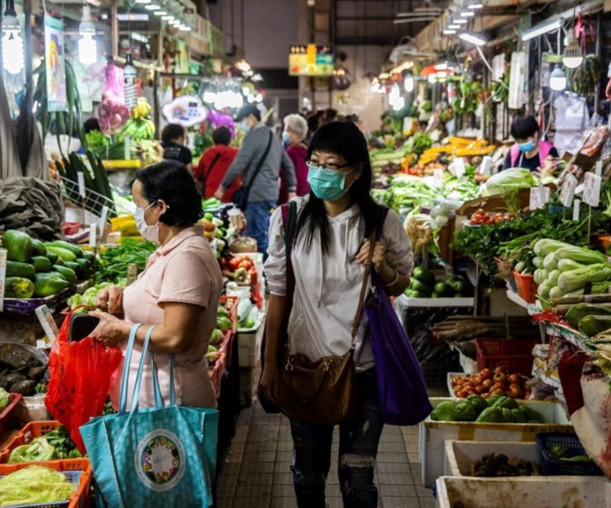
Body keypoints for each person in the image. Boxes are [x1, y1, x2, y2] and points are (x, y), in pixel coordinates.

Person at [261, 121, 413, 508]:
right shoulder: (289, 218)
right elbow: (277, 293)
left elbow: (399, 285)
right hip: (305, 367)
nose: (320, 172)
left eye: (332, 165)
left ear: (356, 171)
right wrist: (269, 366)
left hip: (364, 370)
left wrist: (382, 266)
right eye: (315, 162)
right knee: (308, 476)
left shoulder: (381, 222)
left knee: (358, 479)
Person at [89, 161, 222, 410]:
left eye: (139, 207)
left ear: (160, 207)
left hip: (171, 403)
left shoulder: (186, 258)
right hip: (156, 402)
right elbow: (155, 307)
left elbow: (175, 338)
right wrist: (121, 298)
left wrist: (120, 328)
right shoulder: (168, 251)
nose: (136, 216)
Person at [213, 104, 297, 257]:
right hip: (271, 193)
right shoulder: (273, 136)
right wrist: (292, 189)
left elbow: (239, 163)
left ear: (251, 118)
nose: (241, 126)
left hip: (257, 193)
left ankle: (266, 272)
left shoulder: (253, 137)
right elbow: (288, 165)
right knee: (263, 232)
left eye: (243, 121)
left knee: (257, 236)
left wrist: (223, 187)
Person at [193, 126, 240, 200]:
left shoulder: (208, 153)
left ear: (213, 140)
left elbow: (199, 173)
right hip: (233, 195)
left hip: (212, 196)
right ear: (229, 140)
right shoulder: (237, 153)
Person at [278, 114, 309, 204]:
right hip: (304, 193)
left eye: (287, 130)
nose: (284, 132)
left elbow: (283, 172)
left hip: (290, 194)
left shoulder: (291, 152)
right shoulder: (304, 149)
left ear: (295, 133)